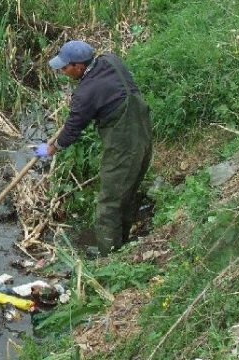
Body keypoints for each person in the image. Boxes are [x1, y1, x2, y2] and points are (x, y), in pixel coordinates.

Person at [34, 40, 152, 257]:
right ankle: (123, 246)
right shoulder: (110, 60)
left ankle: (110, 260)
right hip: (143, 133)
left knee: (109, 204)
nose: (62, 71)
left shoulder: (85, 93)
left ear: (79, 66)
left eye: (65, 67)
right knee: (125, 194)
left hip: (123, 145)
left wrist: (50, 149)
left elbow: (71, 130)